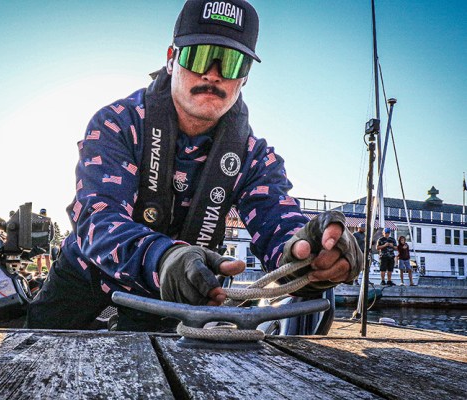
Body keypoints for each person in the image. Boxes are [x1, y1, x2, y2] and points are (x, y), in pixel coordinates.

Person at [27, 0, 362, 331]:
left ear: (245, 77)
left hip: (177, 297)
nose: (212, 74)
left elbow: (279, 222)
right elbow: (99, 219)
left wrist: (311, 252)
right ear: (171, 59)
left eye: (231, 63)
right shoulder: (116, 124)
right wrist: (164, 257)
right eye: (199, 56)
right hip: (83, 284)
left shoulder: (255, 158)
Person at [35, 208, 52, 274]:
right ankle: (40, 273)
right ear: (39, 214)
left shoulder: (49, 221)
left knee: (47, 258)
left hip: (46, 242)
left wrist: (49, 240)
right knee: (39, 258)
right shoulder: (36, 221)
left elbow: (52, 232)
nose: (43, 214)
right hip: (38, 243)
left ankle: (50, 273)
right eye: (42, 213)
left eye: (44, 213)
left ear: (46, 214)